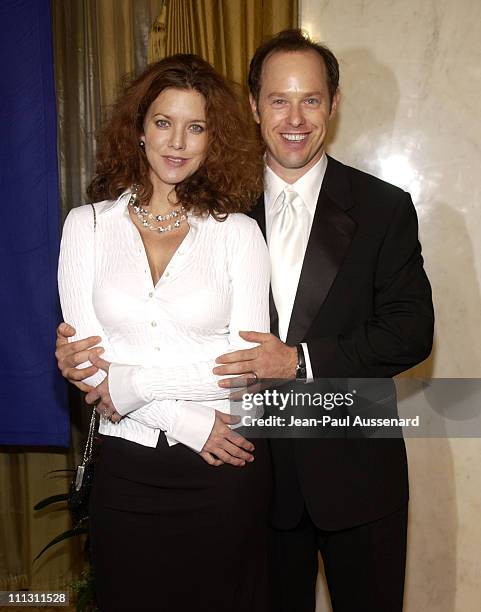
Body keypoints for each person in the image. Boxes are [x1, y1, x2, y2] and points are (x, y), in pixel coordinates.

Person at [56, 30, 435, 611]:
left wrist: (298, 361)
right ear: (254, 107)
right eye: (279, 100)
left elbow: (410, 331)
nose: (295, 118)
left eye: (311, 99)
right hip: (251, 467)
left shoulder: (384, 207)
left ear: (334, 105)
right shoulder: (220, 199)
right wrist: (92, 366)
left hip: (354, 471)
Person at [57, 54, 272, 611]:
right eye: (163, 122)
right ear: (139, 130)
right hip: (127, 472)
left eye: (195, 126)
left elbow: (246, 369)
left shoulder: (239, 234)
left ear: (212, 140)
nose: (177, 141)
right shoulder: (88, 227)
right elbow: (85, 366)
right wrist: (182, 417)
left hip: (223, 467)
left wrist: (133, 383)